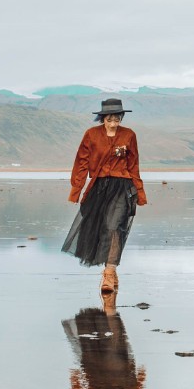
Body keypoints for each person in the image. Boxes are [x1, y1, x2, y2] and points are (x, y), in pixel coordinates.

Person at [63, 97, 147, 293]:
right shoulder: (91, 135)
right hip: (99, 186)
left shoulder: (129, 135)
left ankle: (109, 272)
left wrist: (139, 192)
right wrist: (76, 190)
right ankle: (110, 269)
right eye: (109, 120)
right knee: (99, 228)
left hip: (121, 186)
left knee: (114, 226)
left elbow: (133, 165)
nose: (113, 124)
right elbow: (81, 163)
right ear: (102, 118)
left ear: (121, 118)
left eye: (116, 119)